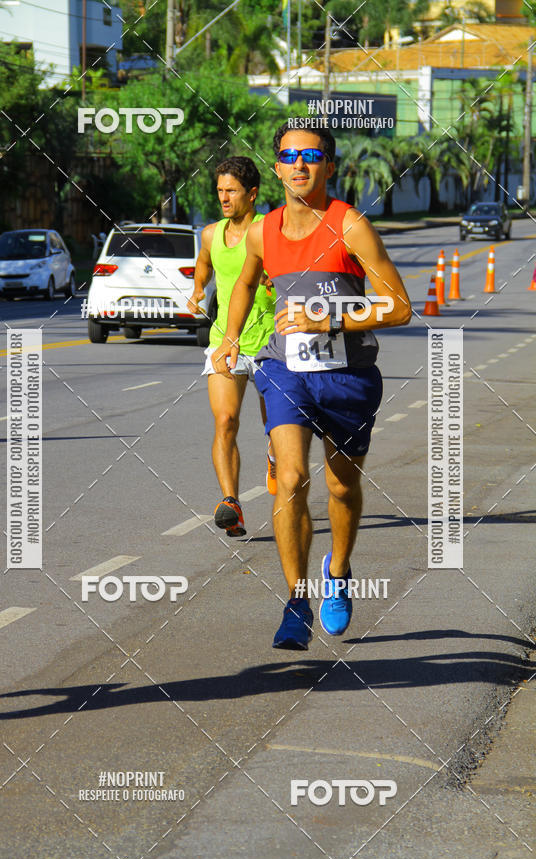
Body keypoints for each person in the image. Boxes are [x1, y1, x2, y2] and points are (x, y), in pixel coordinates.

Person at [212, 123, 411, 648]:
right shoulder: (262, 231)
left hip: (349, 376)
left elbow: (399, 306)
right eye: (288, 155)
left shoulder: (352, 227)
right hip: (285, 371)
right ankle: (297, 598)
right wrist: (232, 336)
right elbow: (244, 283)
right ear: (276, 166)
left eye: (312, 155)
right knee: (292, 478)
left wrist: (328, 321)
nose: (299, 164)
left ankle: (338, 571)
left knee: (341, 487)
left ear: (329, 165)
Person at [188, 156, 277, 537]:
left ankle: (275, 457)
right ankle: (232, 503)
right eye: (220, 190)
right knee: (225, 420)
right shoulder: (211, 234)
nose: (224, 198)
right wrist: (196, 290)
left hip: (272, 342)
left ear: (252, 194)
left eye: (232, 191)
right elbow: (204, 265)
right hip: (227, 339)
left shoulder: (271, 230)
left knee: (276, 429)